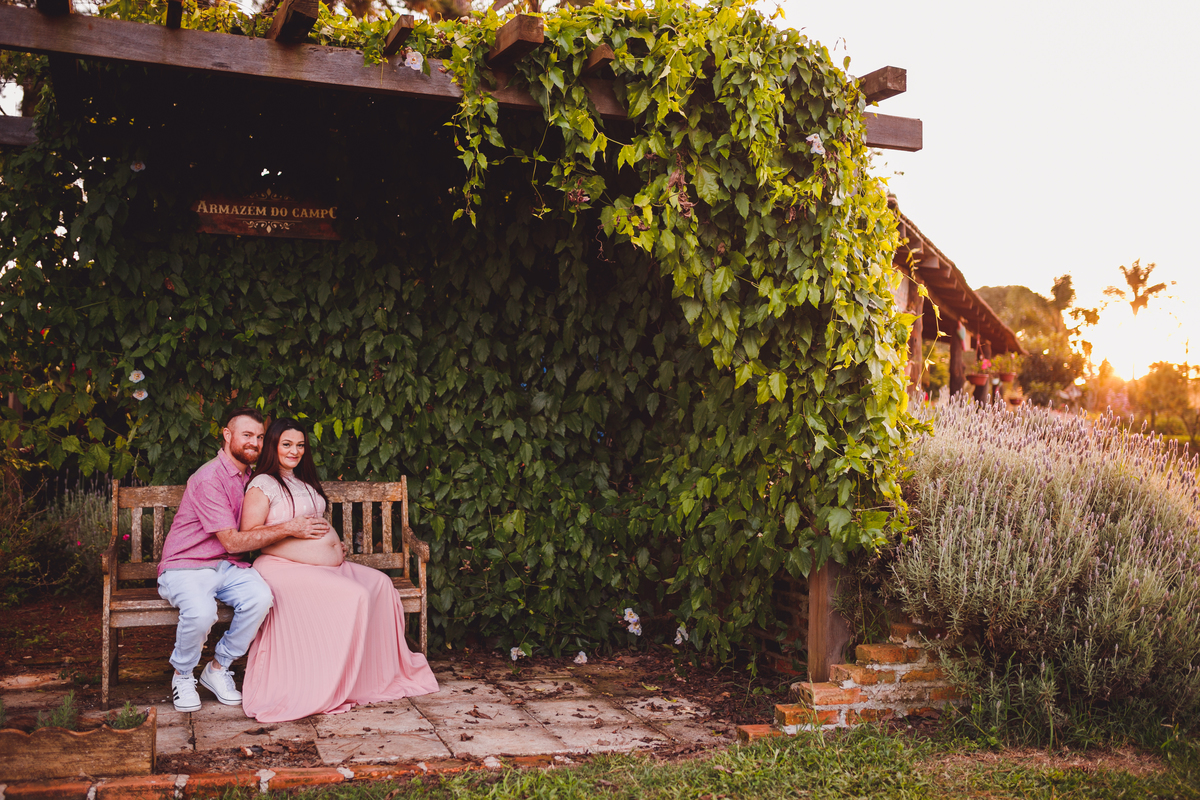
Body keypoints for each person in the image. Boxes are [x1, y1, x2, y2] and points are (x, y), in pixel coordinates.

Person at [240, 419, 439, 722]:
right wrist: (300, 538)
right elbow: (250, 536)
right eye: (287, 444)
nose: (295, 451)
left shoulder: (302, 481)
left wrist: (331, 547)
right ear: (273, 446)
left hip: (323, 567)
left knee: (381, 586)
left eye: (300, 445)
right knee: (356, 595)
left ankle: (371, 677)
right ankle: (334, 680)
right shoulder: (262, 484)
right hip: (283, 569)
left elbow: (313, 526)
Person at [157, 408, 332, 713]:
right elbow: (233, 539)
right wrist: (292, 527)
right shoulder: (208, 478)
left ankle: (218, 667)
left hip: (228, 566)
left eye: (261, 437)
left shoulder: (252, 477)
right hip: (187, 564)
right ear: (227, 435)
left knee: (261, 598)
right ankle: (183, 675)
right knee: (201, 612)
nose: (255, 442)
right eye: (247, 435)